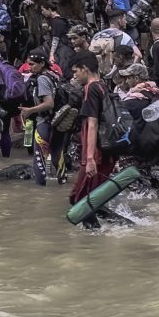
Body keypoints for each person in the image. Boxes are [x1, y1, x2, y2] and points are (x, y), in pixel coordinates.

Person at [69, 50, 117, 205]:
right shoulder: (103, 86)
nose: (74, 76)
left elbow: (92, 123)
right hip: (107, 151)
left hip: (95, 154)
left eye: (76, 71)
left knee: (80, 200)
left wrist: (89, 159)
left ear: (85, 69)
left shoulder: (90, 89)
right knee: (95, 197)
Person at [21, 49, 60, 186]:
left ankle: (40, 189)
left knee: (38, 159)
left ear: (42, 63)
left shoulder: (42, 79)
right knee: (57, 156)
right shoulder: (53, 74)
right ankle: (63, 183)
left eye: (32, 64)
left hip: (45, 122)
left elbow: (49, 103)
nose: (29, 67)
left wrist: (30, 110)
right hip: (58, 121)